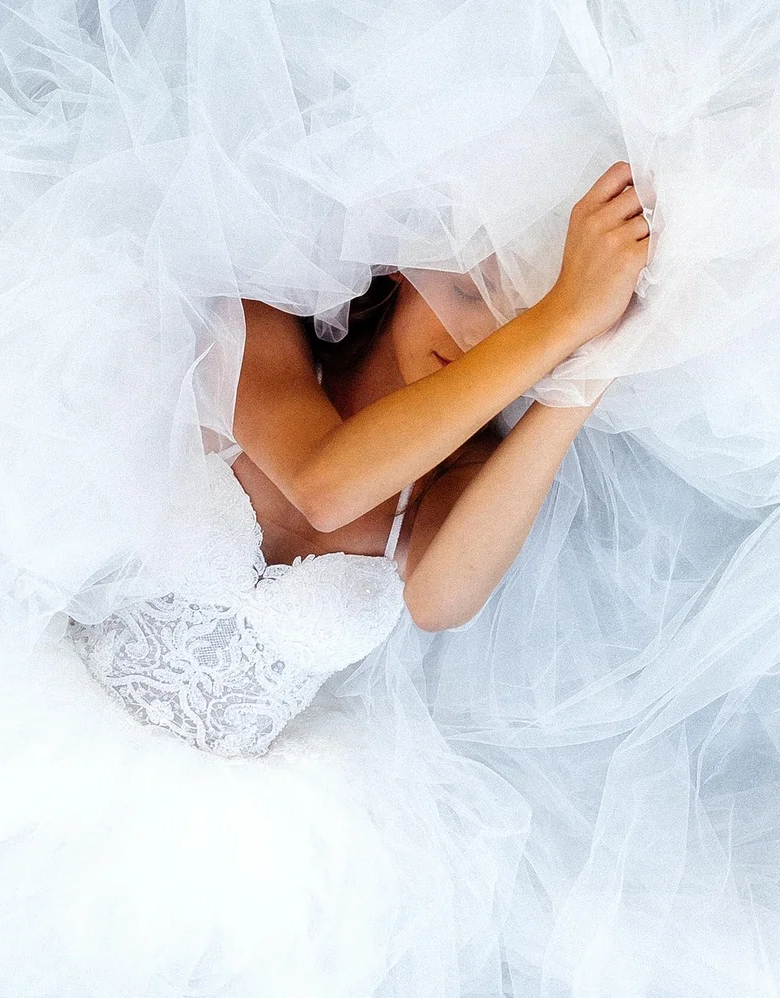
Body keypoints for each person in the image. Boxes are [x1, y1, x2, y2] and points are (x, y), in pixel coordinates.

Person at [69, 161, 649, 756]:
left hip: (230, 821)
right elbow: (325, 487)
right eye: (468, 293)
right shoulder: (259, 327)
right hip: (50, 717)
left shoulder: (459, 478)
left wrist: (593, 361)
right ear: (404, 263)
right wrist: (560, 317)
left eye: (517, 328)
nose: (481, 342)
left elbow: (440, 602)